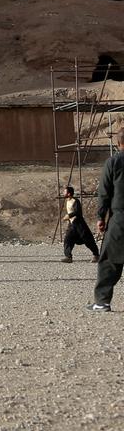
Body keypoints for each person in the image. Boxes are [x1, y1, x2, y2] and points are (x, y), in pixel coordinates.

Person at [87, 131, 124, 312]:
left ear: (118, 143)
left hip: (120, 218)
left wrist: (101, 217)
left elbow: (104, 192)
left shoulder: (114, 162)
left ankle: (102, 302)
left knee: (109, 260)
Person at [60, 185, 99, 264]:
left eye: (65, 192)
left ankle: (96, 255)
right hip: (72, 224)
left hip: (79, 224)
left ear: (69, 193)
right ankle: (68, 257)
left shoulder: (75, 201)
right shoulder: (68, 201)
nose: (63, 193)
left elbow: (78, 212)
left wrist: (69, 216)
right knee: (68, 239)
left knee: (88, 240)